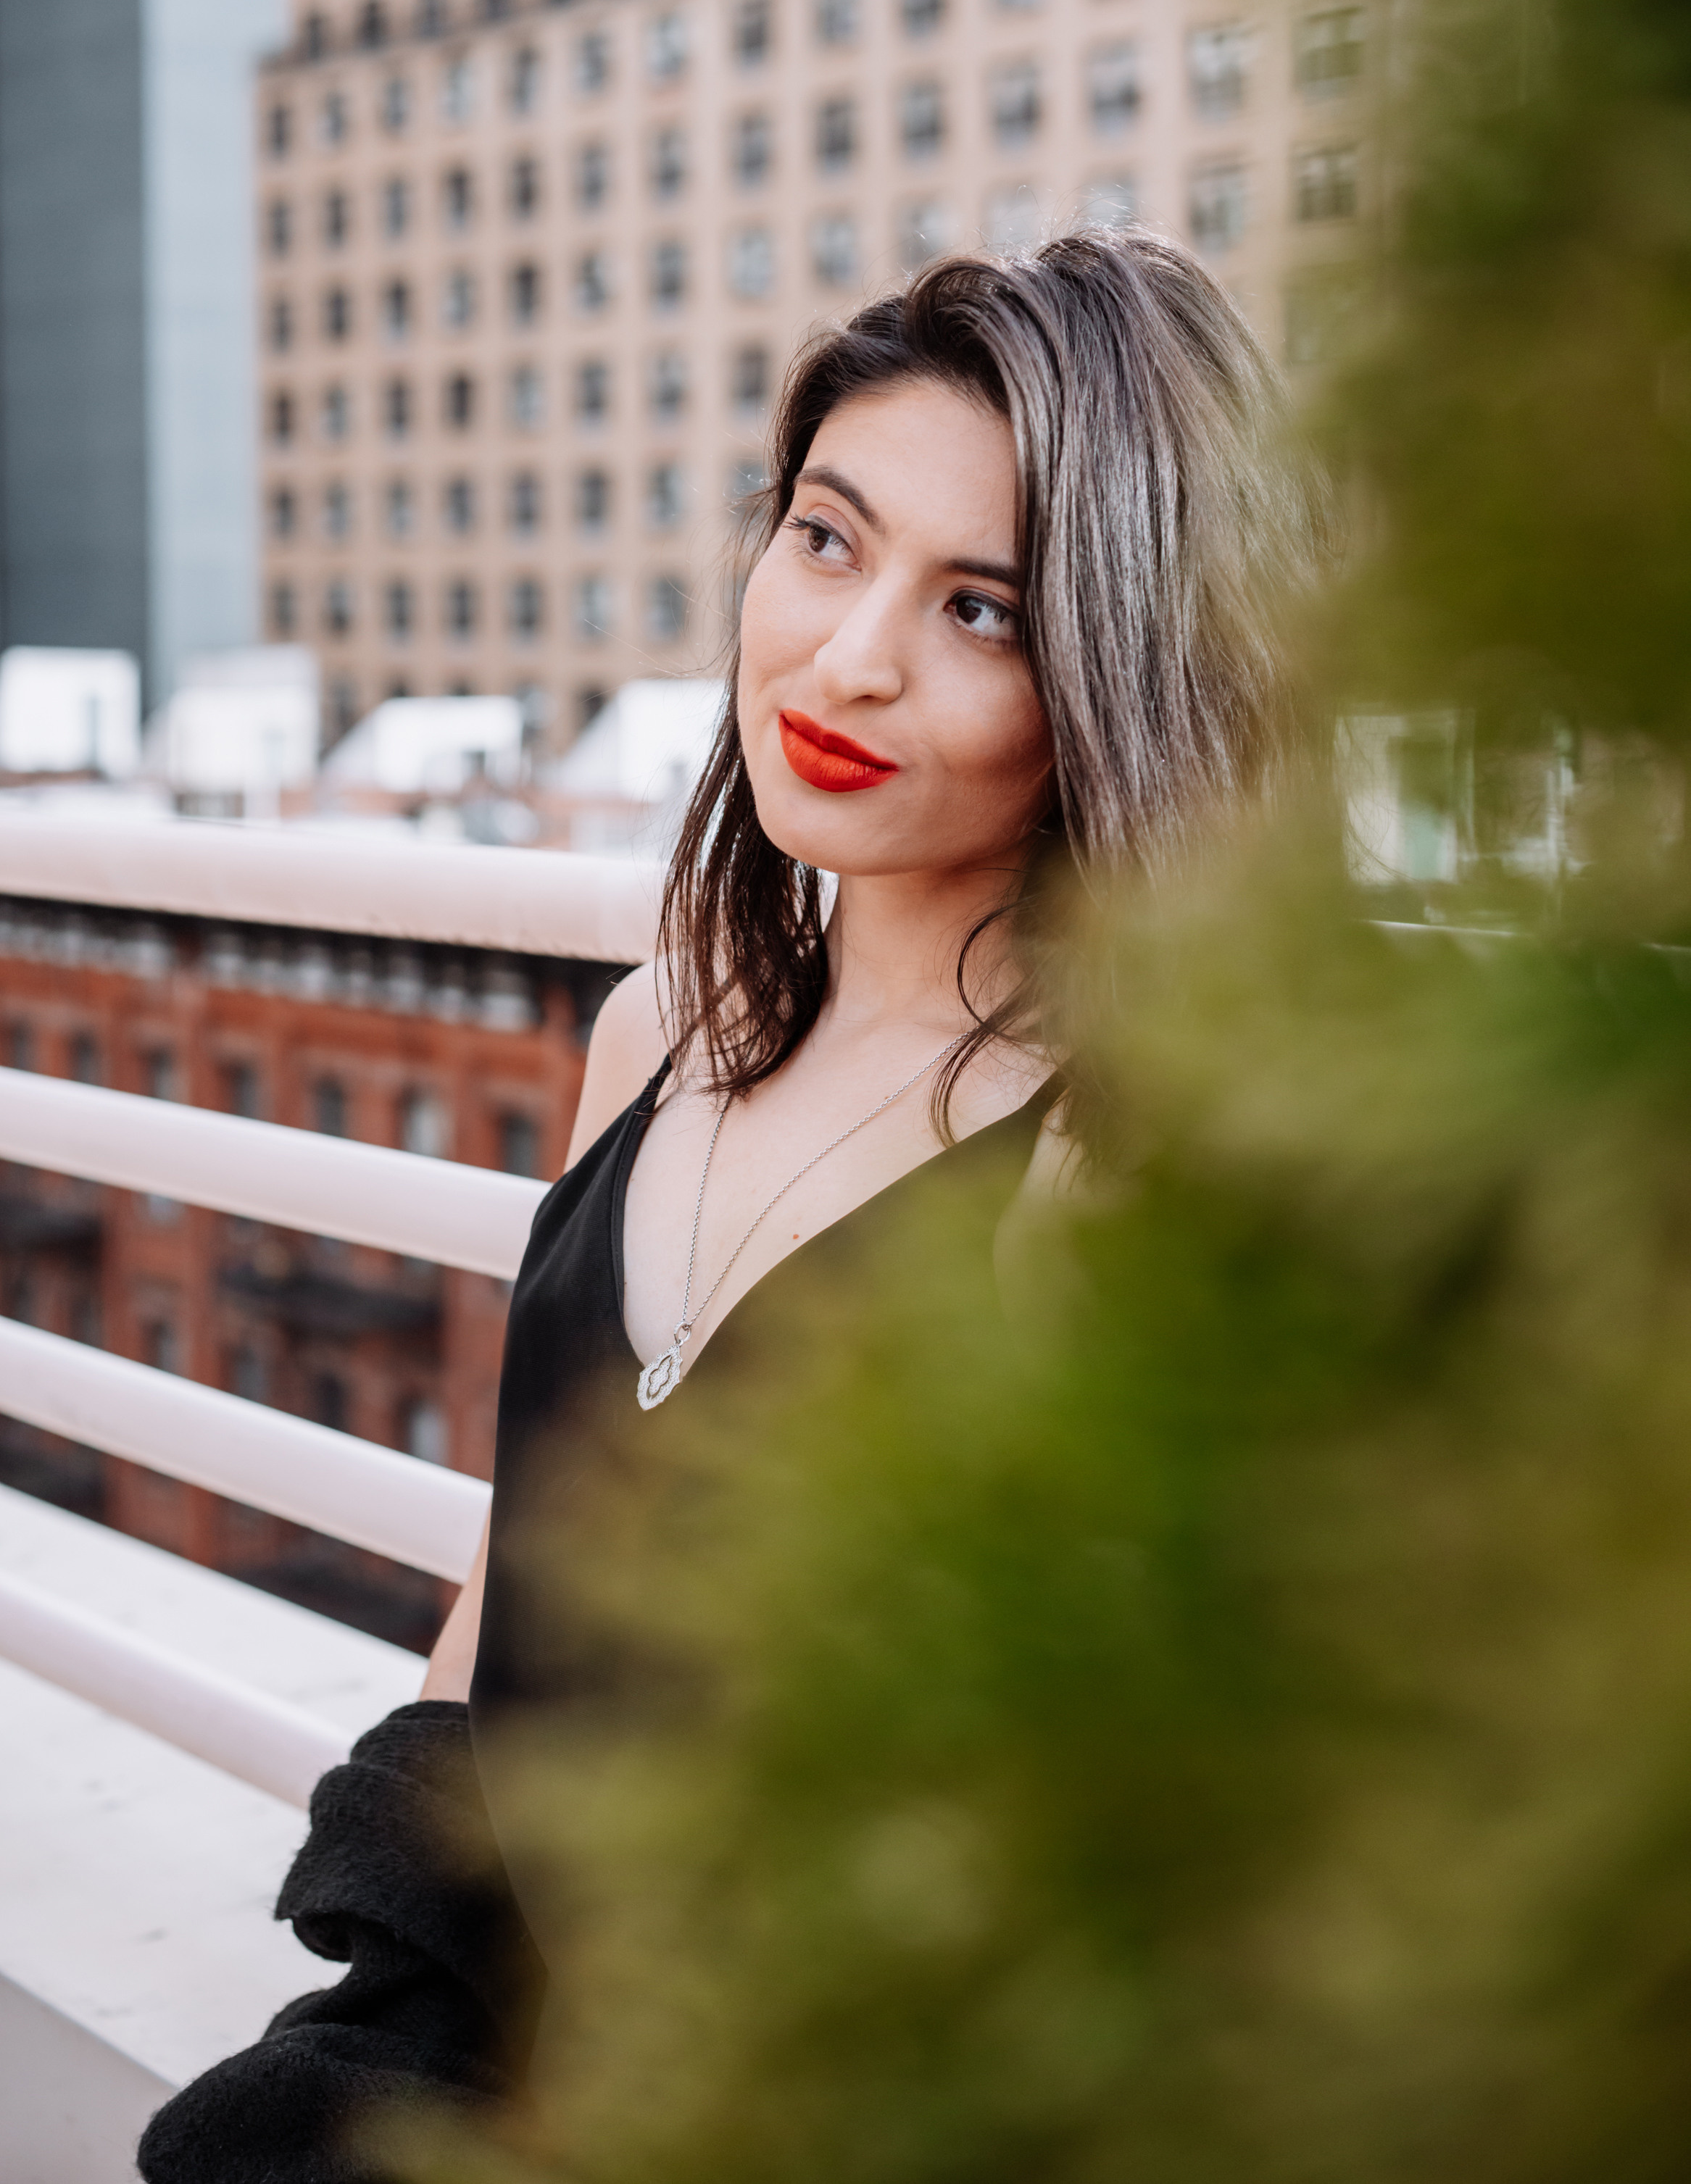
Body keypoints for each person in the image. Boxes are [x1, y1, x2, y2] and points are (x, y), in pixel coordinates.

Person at [139, 232, 1324, 2183]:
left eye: (986, 611)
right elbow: (528, 1569)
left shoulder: (1113, 1161)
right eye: (830, 539)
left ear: (1113, 671)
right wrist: (387, 1986)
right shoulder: (651, 1030)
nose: (853, 657)